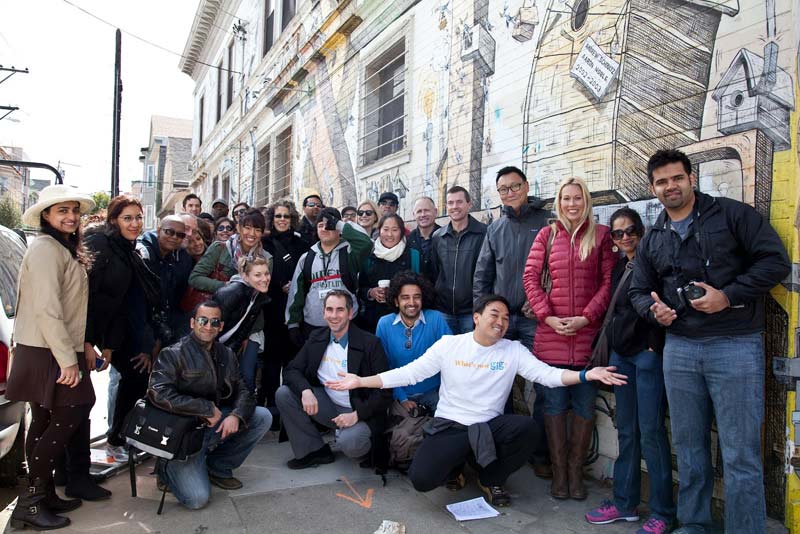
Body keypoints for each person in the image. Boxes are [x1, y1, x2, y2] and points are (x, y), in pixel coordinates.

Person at [326, 295, 626, 507]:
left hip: (489, 426)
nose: (501, 321)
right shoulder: (451, 345)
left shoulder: (513, 350)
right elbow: (408, 374)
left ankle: (488, 475)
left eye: (506, 318)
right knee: (421, 479)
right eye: (494, 314)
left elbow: (547, 375)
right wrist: (360, 380)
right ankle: (458, 464)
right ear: (477, 318)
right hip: (450, 426)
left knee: (528, 429)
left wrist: (587, 375)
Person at [629, 150, 791, 534]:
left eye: (677, 178)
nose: (671, 186)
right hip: (680, 348)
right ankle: (695, 524)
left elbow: (774, 262)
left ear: (690, 178)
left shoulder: (733, 215)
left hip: (735, 344)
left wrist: (728, 295)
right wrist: (655, 312)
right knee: (689, 448)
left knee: (740, 454)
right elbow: (638, 290)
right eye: (662, 181)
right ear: (653, 189)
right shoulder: (654, 236)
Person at [6, 184, 98, 530]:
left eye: (74, 210)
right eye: (62, 210)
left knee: (44, 423)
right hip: (50, 351)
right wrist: (68, 360)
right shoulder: (46, 248)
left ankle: (40, 496)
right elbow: (47, 309)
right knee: (69, 413)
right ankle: (28, 505)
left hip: (53, 349)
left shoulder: (60, 247)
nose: (71, 216)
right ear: (46, 215)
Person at [522, 176, 616, 501]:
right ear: (558, 203)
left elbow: (608, 283)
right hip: (552, 338)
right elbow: (530, 278)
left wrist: (585, 318)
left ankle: (576, 473)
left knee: (585, 406)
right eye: (566, 199)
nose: (572, 204)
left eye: (577, 198)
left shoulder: (601, 236)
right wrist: (548, 317)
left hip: (588, 339)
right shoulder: (546, 236)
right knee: (554, 406)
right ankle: (559, 473)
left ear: (586, 201)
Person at [584, 207, 675, 534]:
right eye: (618, 233)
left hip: (647, 356)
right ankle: (625, 504)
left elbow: (664, 305)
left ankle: (663, 512)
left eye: (630, 230)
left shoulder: (656, 262)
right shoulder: (620, 265)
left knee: (651, 432)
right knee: (626, 430)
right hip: (622, 356)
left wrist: (653, 344)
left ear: (641, 229)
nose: (625, 238)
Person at [148, 301, 272, 509]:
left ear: (221, 326)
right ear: (192, 322)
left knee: (262, 417)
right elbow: (158, 392)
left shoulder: (226, 354)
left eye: (214, 322)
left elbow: (243, 389)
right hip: (182, 436)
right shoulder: (173, 353)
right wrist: (204, 408)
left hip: (212, 425)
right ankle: (165, 469)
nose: (208, 326)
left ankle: (218, 466)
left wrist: (236, 415)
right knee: (197, 499)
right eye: (203, 320)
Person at [473, 166, 552, 478]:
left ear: (526, 186)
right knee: (497, 385)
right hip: (502, 321)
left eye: (514, 186)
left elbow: (558, 269)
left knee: (544, 384)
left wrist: (543, 303)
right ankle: (504, 448)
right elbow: (483, 275)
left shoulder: (546, 222)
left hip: (535, 319)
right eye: (503, 189)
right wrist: (485, 315)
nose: (509, 193)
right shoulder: (495, 228)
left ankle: (542, 453)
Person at [82, 196, 160, 490]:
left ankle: (119, 436)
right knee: (79, 401)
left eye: (138, 218)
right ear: (113, 220)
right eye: (127, 218)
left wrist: (112, 346)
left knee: (136, 378)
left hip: (115, 330)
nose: (135, 223)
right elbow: (90, 297)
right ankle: (73, 467)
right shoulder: (101, 245)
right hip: (86, 330)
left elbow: (121, 301)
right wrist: (90, 341)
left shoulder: (128, 249)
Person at [276, 290, 392, 469]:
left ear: (350, 313)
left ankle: (368, 450)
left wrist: (357, 415)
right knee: (285, 393)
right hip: (329, 406)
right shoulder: (317, 338)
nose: (334, 315)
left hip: (360, 410)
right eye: (329, 310)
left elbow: (385, 392)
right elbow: (292, 370)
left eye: (340, 310)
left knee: (350, 443)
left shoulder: (370, 343)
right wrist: (306, 391)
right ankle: (314, 451)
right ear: (323, 313)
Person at [286, 207, 373, 343]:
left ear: (338, 229)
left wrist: (339, 223)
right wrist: (293, 324)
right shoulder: (306, 258)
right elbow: (296, 293)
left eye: (329, 225)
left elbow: (366, 243)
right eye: (320, 225)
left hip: (347, 324)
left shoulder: (350, 252)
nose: (324, 229)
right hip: (314, 326)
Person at [375, 271, 451, 413]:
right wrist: (402, 398)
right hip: (399, 395)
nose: (412, 303)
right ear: (396, 301)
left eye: (417, 297)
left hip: (435, 394)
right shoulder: (384, 324)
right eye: (405, 298)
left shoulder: (436, 319)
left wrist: (444, 394)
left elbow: (450, 360)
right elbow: (384, 366)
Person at [260, 200, 309, 411]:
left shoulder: (302, 243)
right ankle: (272, 410)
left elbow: (308, 272)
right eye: (278, 216)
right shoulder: (264, 243)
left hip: (295, 313)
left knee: (293, 363)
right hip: (271, 309)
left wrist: (296, 286)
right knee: (271, 364)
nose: (282, 220)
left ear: (292, 219)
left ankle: (291, 410)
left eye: (286, 216)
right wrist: (278, 285)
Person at [430, 186, 487, 334]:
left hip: (472, 311)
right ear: (446, 206)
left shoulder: (484, 233)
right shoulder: (438, 237)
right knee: (447, 353)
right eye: (450, 203)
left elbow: (488, 272)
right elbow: (436, 271)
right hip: (444, 311)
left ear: (469, 204)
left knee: (469, 355)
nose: (455, 206)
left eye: (459, 202)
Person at [213, 257, 271, 392]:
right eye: (257, 275)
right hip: (208, 346)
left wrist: (229, 352)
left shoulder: (258, 297)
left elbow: (242, 332)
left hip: (225, 347)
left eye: (266, 273)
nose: (264, 278)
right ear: (245, 276)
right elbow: (210, 326)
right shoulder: (231, 292)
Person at [357, 215, 421, 333]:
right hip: (374, 321)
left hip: (406, 320)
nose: (389, 234)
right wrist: (371, 293)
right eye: (385, 229)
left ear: (402, 232)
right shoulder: (369, 256)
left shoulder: (413, 256)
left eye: (395, 230)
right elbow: (360, 288)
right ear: (379, 231)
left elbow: (423, 287)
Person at [189, 208, 272, 299]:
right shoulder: (219, 248)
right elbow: (195, 278)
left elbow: (262, 289)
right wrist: (226, 286)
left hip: (246, 310)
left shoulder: (266, 258)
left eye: (257, 230)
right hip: (214, 306)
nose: (252, 234)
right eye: (247, 228)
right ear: (238, 228)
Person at [139, 215, 194, 341]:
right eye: (169, 232)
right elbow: (139, 303)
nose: (174, 237)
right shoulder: (143, 254)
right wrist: (146, 344)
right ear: (159, 230)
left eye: (180, 235)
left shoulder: (172, 258)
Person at [406, 196, 440, 281]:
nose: (423, 214)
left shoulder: (446, 237)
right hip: (416, 292)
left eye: (427, 210)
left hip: (440, 292)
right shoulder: (408, 240)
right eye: (419, 211)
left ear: (435, 212)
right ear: (414, 215)